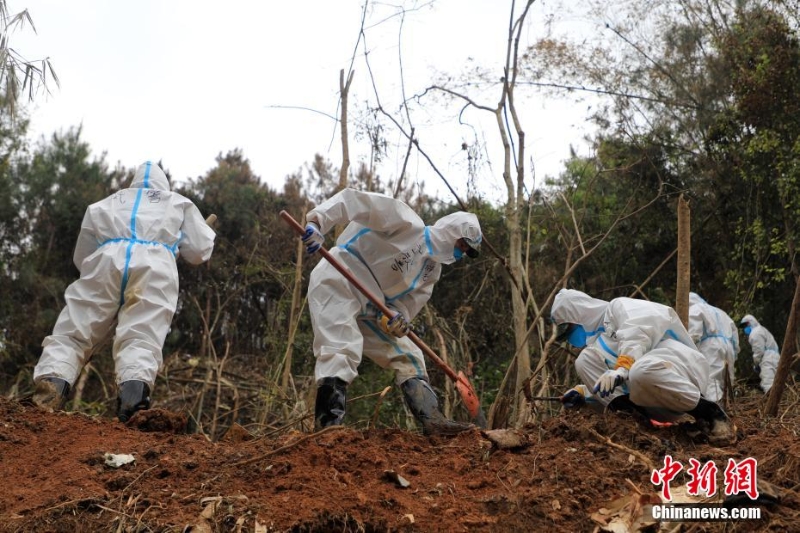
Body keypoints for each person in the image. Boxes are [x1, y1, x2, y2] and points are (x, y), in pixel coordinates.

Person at [32, 161, 216, 422]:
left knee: (74, 331)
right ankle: (132, 408)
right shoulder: (178, 203)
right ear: (164, 186)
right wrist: (198, 236)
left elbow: (82, 256)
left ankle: (47, 395)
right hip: (155, 267)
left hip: (104, 261)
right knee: (141, 335)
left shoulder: (105, 203)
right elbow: (198, 252)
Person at [299, 188, 482, 436]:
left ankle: (433, 421)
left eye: (465, 252)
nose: (459, 253)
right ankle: (328, 429)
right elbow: (354, 202)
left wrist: (395, 320)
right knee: (340, 347)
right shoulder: (406, 222)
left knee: (410, 354)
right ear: (452, 231)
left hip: (374, 306)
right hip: (339, 276)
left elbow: (404, 307)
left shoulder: (431, 272)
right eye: (461, 244)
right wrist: (317, 221)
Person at [550, 288, 734, 443]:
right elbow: (617, 381)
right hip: (653, 398)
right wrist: (585, 393)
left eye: (570, 331)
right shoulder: (598, 344)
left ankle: (710, 413)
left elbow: (638, 330)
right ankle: (633, 422)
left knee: (640, 371)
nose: (571, 339)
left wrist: (623, 366)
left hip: (679, 370)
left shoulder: (618, 307)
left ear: (578, 314)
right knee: (583, 361)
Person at [688, 292, 740, 402]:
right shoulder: (722, 312)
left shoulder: (694, 309)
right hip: (728, 346)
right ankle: (729, 407)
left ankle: (716, 408)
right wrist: (734, 353)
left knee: (710, 379)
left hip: (710, 347)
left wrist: (691, 353)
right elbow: (735, 336)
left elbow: (694, 335)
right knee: (726, 381)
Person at [739, 314, 780, 394]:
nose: (745, 328)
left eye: (745, 325)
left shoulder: (755, 333)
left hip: (768, 358)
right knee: (776, 382)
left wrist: (756, 363)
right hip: (776, 357)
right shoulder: (762, 329)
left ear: (750, 323)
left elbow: (759, 351)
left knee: (768, 383)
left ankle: (771, 403)